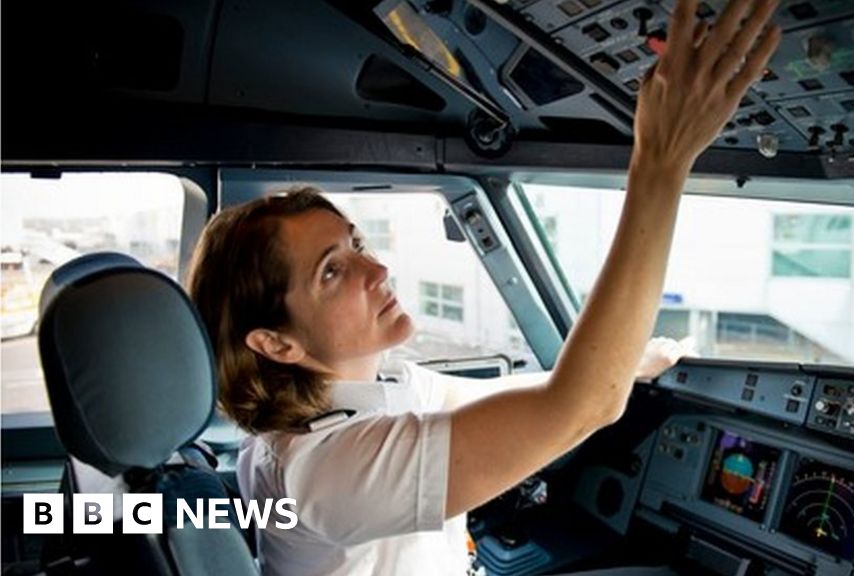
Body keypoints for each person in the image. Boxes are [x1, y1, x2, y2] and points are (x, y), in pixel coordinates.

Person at [186, 0, 781, 573]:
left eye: (357, 246)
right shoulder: (327, 470)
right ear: (277, 343)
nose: (378, 272)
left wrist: (633, 363)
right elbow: (582, 407)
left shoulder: (371, 386)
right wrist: (662, 158)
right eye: (332, 271)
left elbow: (484, 398)